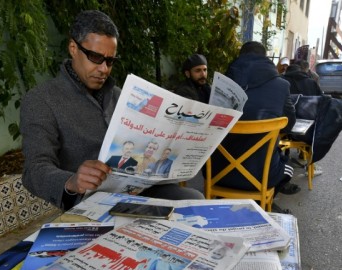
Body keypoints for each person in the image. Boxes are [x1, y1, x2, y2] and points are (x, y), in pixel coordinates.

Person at [20, 10, 204, 210]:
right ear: (73, 48)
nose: (104, 69)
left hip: (140, 191)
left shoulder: (123, 96)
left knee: (192, 201)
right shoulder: (41, 100)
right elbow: (34, 170)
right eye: (95, 57)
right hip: (89, 202)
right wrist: (72, 182)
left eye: (110, 61)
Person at [209, 41, 300, 199]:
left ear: (239, 58)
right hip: (262, 176)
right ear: (265, 58)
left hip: (216, 174)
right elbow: (288, 125)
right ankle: (265, 203)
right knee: (287, 168)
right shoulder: (282, 86)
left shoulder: (219, 86)